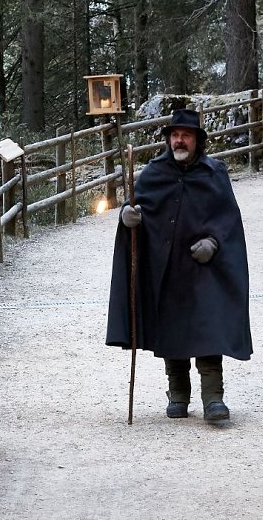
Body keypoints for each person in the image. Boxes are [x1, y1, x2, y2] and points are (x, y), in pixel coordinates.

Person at [106, 108, 252, 421]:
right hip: (166, 267)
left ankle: (213, 397)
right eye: (174, 135)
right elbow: (137, 207)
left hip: (204, 268)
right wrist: (127, 218)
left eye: (185, 135)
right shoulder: (155, 172)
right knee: (171, 327)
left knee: (207, 327)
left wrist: (213, 241)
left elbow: (229, 220)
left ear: (198, 140)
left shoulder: (214, 173)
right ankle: (178, 393)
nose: (179, 141)